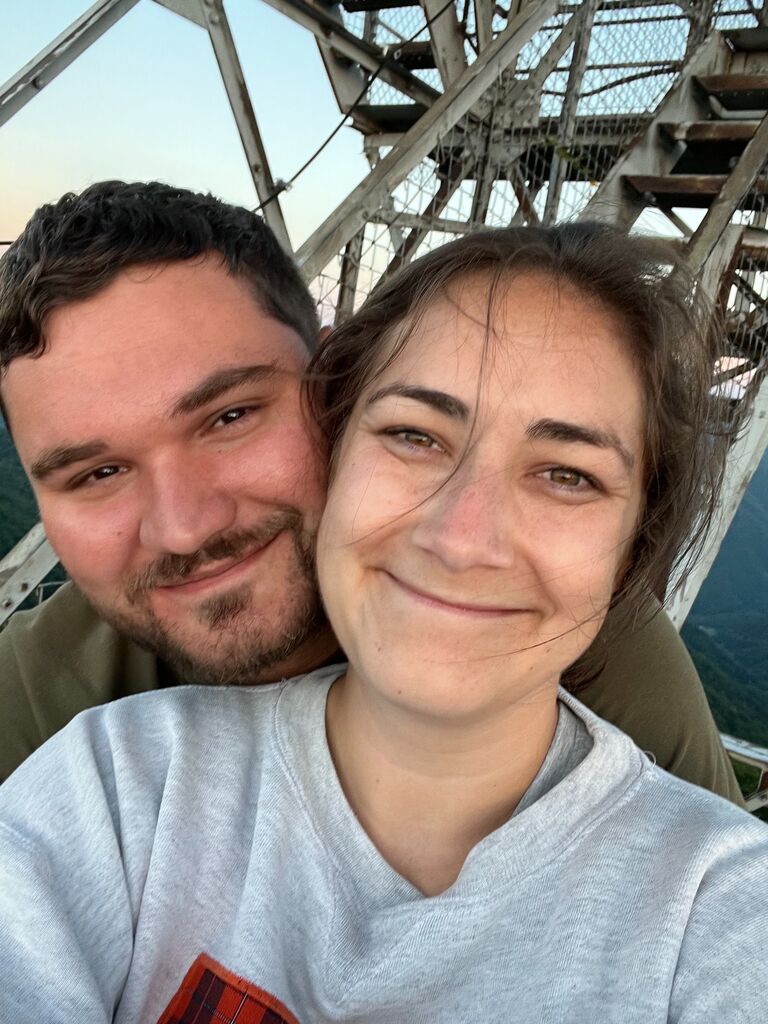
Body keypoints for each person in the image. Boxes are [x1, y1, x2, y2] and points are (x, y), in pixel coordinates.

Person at [0, 223, 765, 1022]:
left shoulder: (705, 888)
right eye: (414, 435)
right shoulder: (104, 775)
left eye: (229, 416)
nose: (463, 538)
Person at [0, 181, 741, 807]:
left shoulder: (569, 638)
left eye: (230, 417)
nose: (185, 528)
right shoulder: (42, 713)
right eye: (95, 475)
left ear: (337, 385)